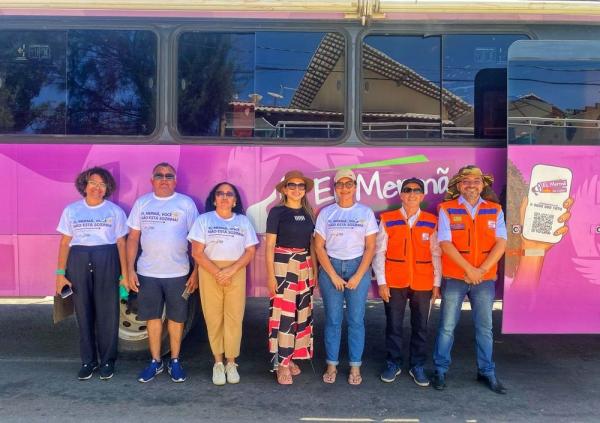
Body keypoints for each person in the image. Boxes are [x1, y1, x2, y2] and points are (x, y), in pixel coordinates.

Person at [432, 165, 508, 394]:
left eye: (476, 181)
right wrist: (470, 270)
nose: (471, 185)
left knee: (485, 328)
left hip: (484, 279)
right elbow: (445, 244)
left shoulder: (495, 210)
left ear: (483, 185)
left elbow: (501, 243)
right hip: (456, 277)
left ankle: (487, 372)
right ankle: (440, 370)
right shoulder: (446, 209)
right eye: (466, 181)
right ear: (458, 185)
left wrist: (481, 270)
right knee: (446, 327)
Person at [126, 162, 199, 383]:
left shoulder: (185, 204)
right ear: (152, 180)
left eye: (169, 176)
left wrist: (196, 272)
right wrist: (129, 270)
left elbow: (198, 241)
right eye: (159, 175)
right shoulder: (142, 203)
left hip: (178, 273)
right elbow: (132, 238)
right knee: (153, 319)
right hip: (148, 273)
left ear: (175, 181)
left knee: (177, 320)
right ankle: (155, 361)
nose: (164, 179)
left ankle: (175, 361)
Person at [56, 167, 128, 380]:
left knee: (108, 313)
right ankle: (88, 361)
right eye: (93, 183)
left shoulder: (115, 212)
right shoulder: (72, 210)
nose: (97, 188)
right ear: (84, 185)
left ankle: (107, 361)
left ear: (107, 189)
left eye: (102, 184)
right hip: (77, 260)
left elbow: (121, 244)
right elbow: (64, 242)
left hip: (107, 258)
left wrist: (124, 274)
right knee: (83, 312)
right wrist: (60, 273)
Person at [373, 177, 441, 387]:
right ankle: (393, 363)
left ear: (422, 196)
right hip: (394, 281)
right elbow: (379, 253)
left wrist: (436, 284)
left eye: (417, 190)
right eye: (408, 190)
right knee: (394, 325)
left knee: (421, 326)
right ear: (401, 195)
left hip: (423, 282)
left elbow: (436, 253)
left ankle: (417, 365)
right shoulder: (388, 218)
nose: (412, 194)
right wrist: (382, 282)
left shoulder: (432, 221)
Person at [188, 182, 258, 385]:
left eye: (229, 194)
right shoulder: (203, 220)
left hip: (235, 271)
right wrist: (218, 272)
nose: (225, 197)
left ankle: (231, 362)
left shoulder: (243, 222)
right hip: (210, 271)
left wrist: (230, 270)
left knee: (234, 317)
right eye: (220, 193)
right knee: (213, 317)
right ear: (214, 199)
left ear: (235, 201)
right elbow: (197, 253)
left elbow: (250, 251)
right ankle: (218, 363)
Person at [314, 169, 378, 385]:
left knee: (356, 321)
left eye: (348, 183)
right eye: (339, 184)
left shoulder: (365, 213)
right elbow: (319, 247)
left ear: (355, 187)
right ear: (334, 188)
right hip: (331, 268)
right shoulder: (326, 213)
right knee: (332, 320)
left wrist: (358, 276)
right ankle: (331, 364)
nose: (344, 188)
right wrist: (332, 276)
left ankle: (355, 367)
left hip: (357, 267)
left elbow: (370, 247)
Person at [265, 170, 317, 385]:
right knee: (283, 317)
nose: (296, 189)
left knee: (301, 315)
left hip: (304, 266)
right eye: (292, 185)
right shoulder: (276, 212)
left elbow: (312, 245)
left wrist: (313, 270)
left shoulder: (309, 212)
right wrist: (270, 276)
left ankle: (292, 356)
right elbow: (269, 246)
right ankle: (281, 364)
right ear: (284, 190)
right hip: (282, 266)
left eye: (301, 186)